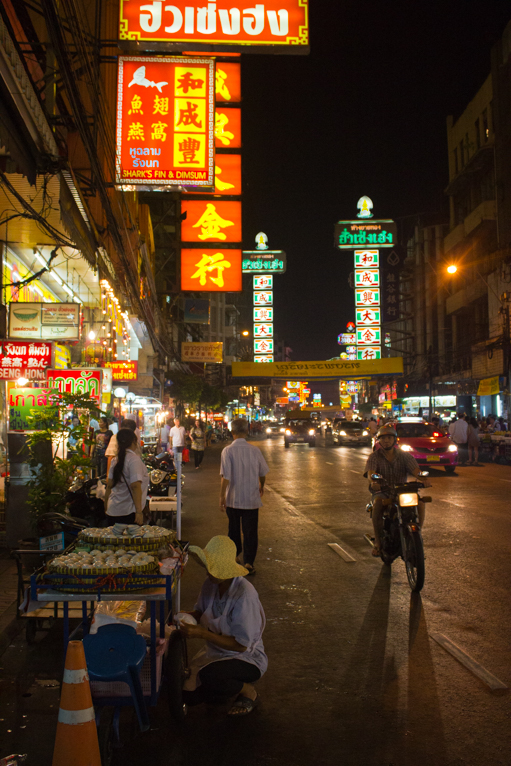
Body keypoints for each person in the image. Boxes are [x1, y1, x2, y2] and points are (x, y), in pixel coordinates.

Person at [179, 535, 267, 716]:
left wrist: (203, 634)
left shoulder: (244, 595)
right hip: (218, 653)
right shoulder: (210, 585)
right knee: (190, 696)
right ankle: (224, 688)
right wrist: (182, 618)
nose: (208, 573)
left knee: (211, 677)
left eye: (214, 569)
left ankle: (248, 691)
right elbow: (200, 612)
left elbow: (241, 645)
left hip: (246, 657)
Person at [364, 425, 431, 557]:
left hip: (402, 491)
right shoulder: (374, 457)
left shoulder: (405, 456)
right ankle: (378, 542)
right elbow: (370, 473)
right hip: (383, 491)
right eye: (383, 438)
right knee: (377, 504)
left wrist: (423, 479)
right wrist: (374, 482)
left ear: (395, 440)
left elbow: (416, 470)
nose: (386, 441)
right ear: (379, 441)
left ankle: (418, 534)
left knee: (420, 503)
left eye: (389, 438)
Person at [220, 418, 269, 576]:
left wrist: (222, 496)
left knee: (233, 530)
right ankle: (249, 562)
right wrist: (262, 485)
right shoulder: (254, 451)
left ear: (232, 432)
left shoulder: (228, 451)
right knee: (250, 531)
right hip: (251, 499)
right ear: (247, 431)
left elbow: (225, 477)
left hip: (233, 499)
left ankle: (235, 557)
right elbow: (262, 473)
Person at [104, 428, 148, 525]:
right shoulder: (134, 460)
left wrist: (106, 507)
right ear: (134, 441)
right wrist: (139, 512)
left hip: (112, 511)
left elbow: (109, 486)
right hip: (128, 512)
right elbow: (135, 486)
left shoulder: (115, 460)